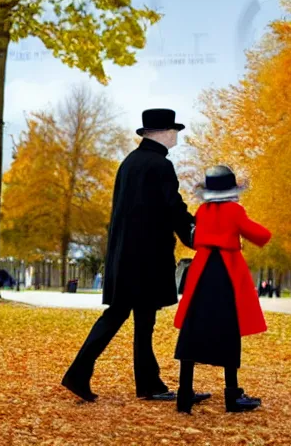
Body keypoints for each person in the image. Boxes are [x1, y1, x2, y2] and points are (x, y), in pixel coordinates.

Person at [62, 109, 210, 405]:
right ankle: (136, 382)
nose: (176, 135)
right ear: (162, 133)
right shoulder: (159, 165)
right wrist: (196, 234)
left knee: (126, 317)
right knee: (138, 320)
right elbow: (173, 208)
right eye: (174, 130)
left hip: (126, 256)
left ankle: (141, 382)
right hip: (147, 259)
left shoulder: (129, 163)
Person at [173, 165, 272, 414]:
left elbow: (195, 238)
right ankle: (232, 395)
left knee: (192, 329)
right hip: (226, 272)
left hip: (201, 271)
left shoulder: (203, 210)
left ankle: (184, 394)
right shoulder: (235, 210)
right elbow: (259, 235)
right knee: (228, 329)